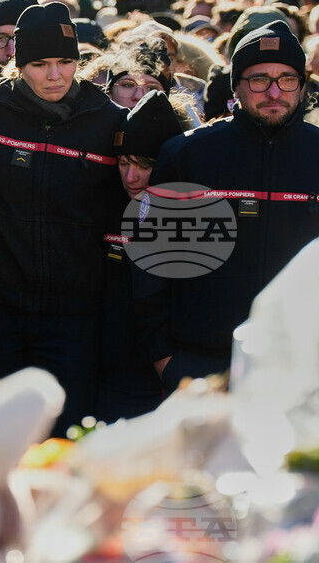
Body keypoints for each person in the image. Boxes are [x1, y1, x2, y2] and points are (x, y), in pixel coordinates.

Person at [0, 2, 126, 436]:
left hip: (73, 315)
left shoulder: (107, 122)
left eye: (65, 62)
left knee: (66, 440)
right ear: (17, 63)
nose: (55, 75)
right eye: (40, 64)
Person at [135, 21, 319, 394]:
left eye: (286, 79)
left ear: (301, 86)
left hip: (301, 367)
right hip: (201, 366)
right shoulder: (188, 154)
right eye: (259, 79)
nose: (273, 91)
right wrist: (164, 357)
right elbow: (152, 262)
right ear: (237, 85)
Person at [96, 91, 185, 422]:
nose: (130, 177)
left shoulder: (197, 216)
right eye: (123, 163)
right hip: (108, 375)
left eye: (145, 165)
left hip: (167, 373)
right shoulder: (103, 205)